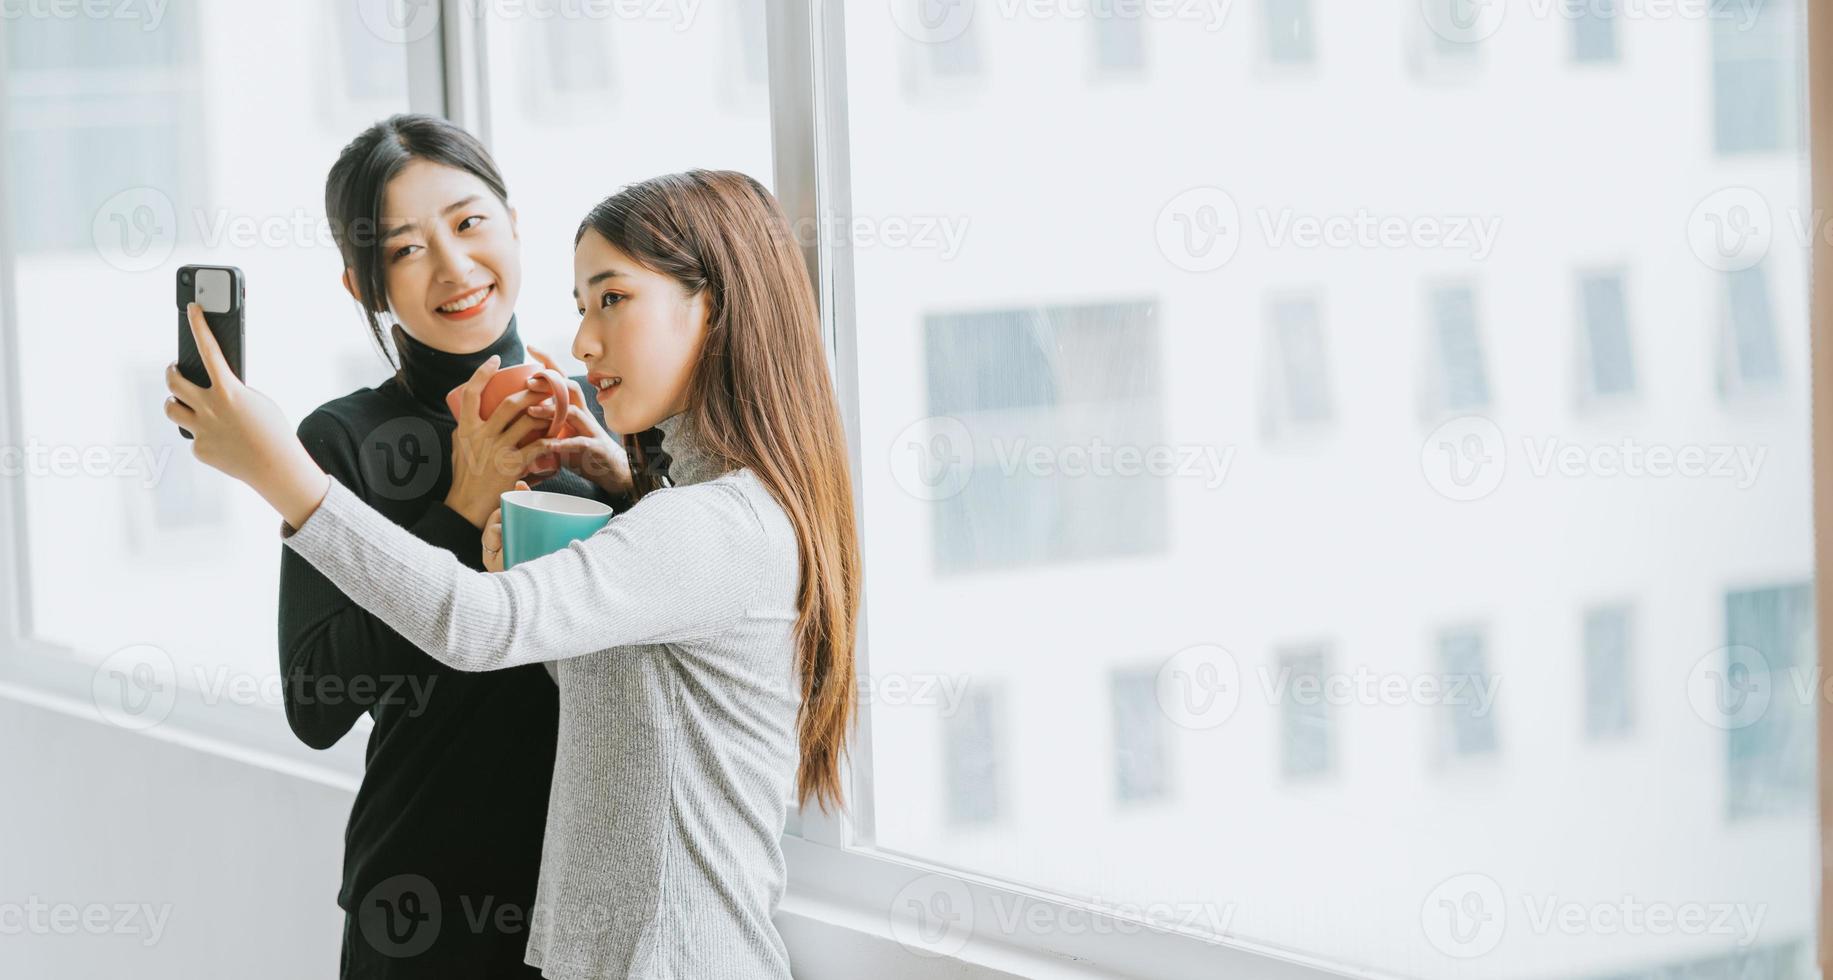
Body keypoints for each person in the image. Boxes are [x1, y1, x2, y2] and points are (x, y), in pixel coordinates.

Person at [166, 170, 860, 979]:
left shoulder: (706, 519)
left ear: (710, 305)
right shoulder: (674, 494)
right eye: (580, 305)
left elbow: (486, 623)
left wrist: (282, 476)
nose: (584, 343)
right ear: (367, 284)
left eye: (612, 299)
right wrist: (617, 487)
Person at [279, 113, 656, 978]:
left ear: (515, 225)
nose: (453, 267)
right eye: (405, 249)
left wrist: (625, 489)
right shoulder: (341, 443)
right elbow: (315, 704)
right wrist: (455, 510)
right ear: (365, 287)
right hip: (424, 906)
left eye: (469, 221)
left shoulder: (615, 404)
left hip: (599, 900)